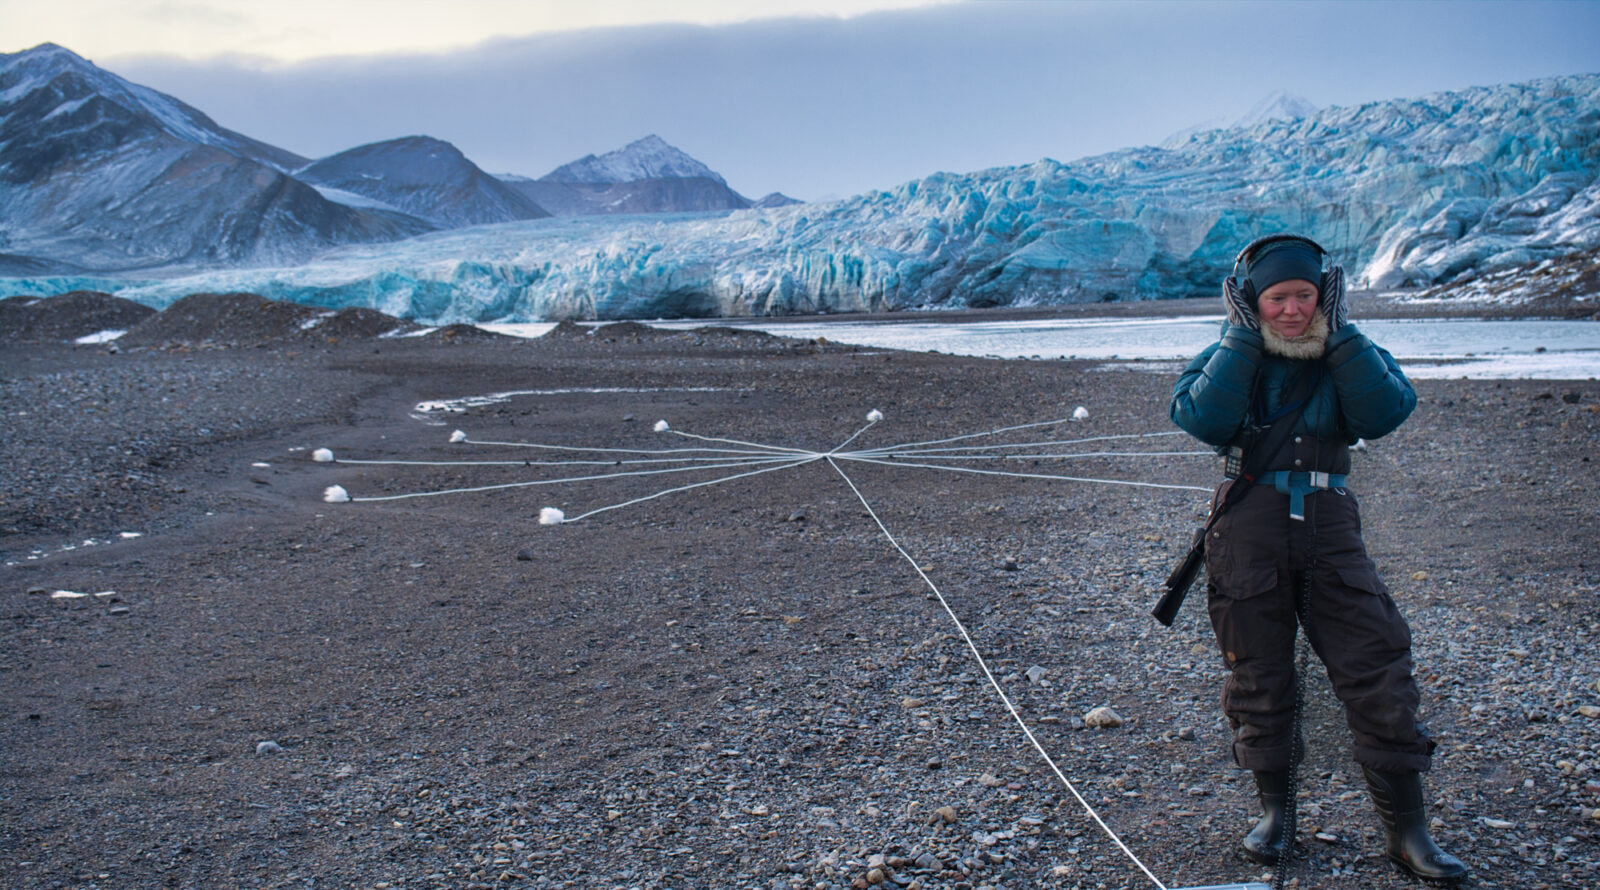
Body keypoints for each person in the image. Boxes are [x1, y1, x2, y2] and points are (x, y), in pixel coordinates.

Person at [1168, 233, 1468, 883]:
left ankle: (1408, 834)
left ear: (1324, 294)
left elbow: (1387, 409)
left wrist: (1345, 331)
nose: (1292, 309)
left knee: (1376, 663)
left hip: (1331, 523)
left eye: (1305, 295)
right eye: (1276, 297)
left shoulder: (1344, 351)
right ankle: (1278, 816)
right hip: (1249, 525)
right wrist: (1243, 338)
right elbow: (1200, 416)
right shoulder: (1229, 353)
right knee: (1258, 673)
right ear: (1253, 301)